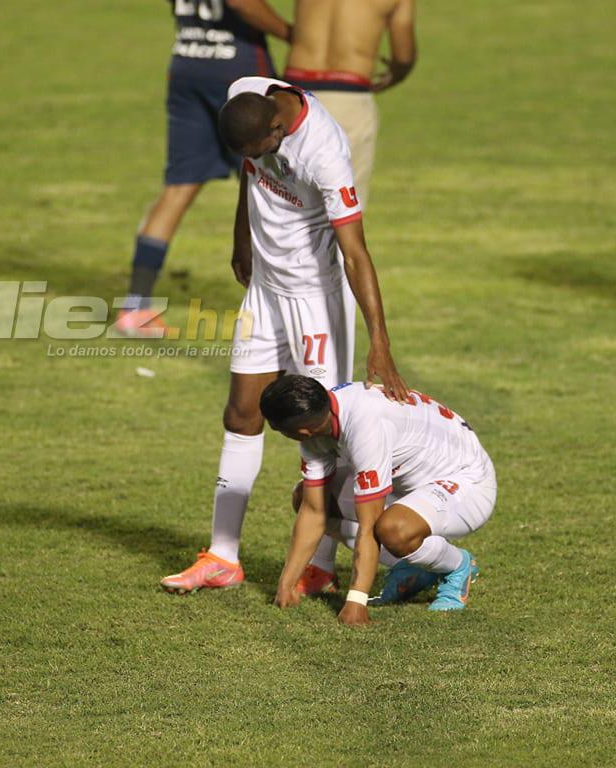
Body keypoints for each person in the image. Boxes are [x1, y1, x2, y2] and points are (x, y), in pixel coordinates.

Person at [160, 77, 410, 595]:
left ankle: (321, 564)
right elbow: (248, 172)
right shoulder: (247, 94)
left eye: (260, 150)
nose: (255, 160)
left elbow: (356, 253)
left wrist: (379, 343)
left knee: (321, 431)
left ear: (278, 129)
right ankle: (223, 556)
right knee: (241, 414)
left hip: (315, 302)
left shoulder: (325, 152)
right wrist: (241, 237)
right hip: (265, 293)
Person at [114, 0, 292, 337]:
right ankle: (285, 308)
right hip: (238, 69)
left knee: (179, 186)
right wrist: (290, 33)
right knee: (274, 186)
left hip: (187, 62)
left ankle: (135, 306)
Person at [260, 375, 497, 626]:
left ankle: (457, 565)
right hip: (412, 484)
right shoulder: (323, 413)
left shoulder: (366, 427)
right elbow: (313, 510)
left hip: (469, 484)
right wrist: (286, 584)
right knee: (306, 497)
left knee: (393, 529)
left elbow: (369, 525)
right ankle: (414, 566)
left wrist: (356, 601)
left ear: (301, 432)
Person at [283, 0, 417, 208]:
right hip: (349, 95)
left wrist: (288, 33)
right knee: (343, 206)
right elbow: (404, 54)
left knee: (283, 200)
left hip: (293, 94)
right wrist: (397, 74)